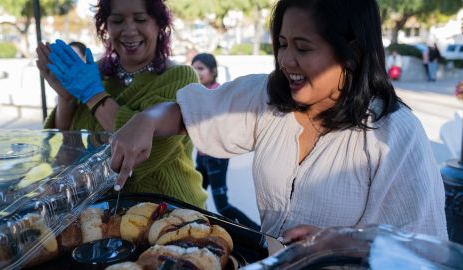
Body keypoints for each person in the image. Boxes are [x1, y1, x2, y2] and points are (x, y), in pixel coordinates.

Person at [111, 0, 447, 244]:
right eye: (282, 44)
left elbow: (422, 251)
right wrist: (146, 119)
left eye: (303, 48)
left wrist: (347, 245)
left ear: (351, 51)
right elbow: (191, 113)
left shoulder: (395, 133)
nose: (286, 61)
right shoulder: (267, 96)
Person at [35, 0, 207, 208]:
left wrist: (93, 95)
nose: (129, 30)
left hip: (170, 214)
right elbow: (59, 156)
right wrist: (66, 98)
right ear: (105, 26)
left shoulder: (180, 78)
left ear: (159, 24)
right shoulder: (89, 75)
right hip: (98, 215)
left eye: (140, 19)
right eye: (117, 21)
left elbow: (136, 156)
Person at [191, 53, 260, 230]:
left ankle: (257, 232)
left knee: (222, 206)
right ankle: (199, 228)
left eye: (201, 68)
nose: (196, 72)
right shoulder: (197, 92)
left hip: (216, 157)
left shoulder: (219, 92)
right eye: (193, 68)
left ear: (213, 71)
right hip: (202, 155)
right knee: (193, 198)